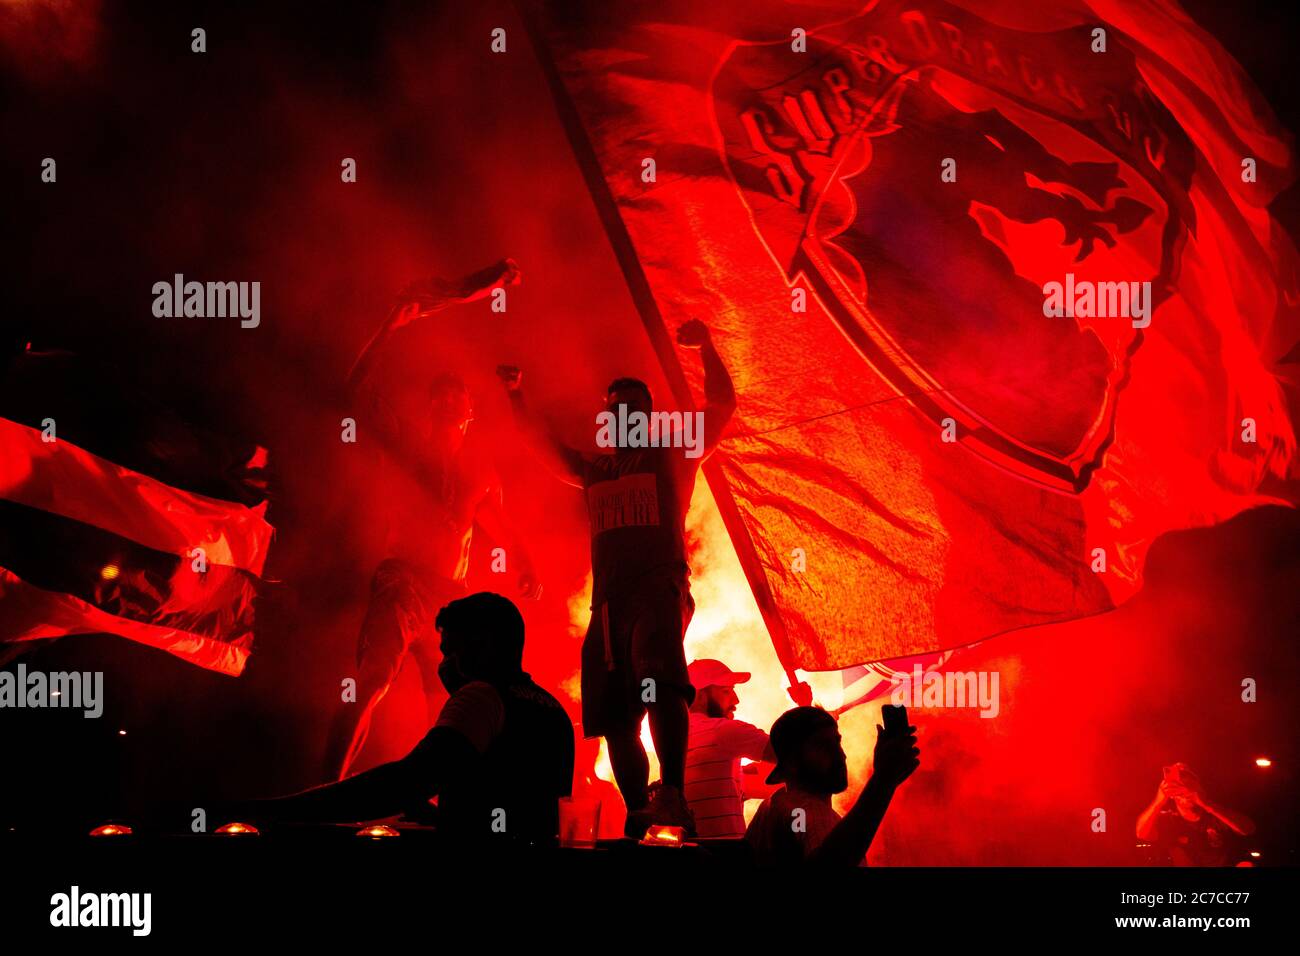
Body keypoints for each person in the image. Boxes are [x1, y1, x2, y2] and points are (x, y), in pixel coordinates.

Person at [497, 318, 736, 836]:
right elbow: (541, 447)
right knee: (615, 717)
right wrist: (517, 395)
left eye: (633, 405)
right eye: (616, 407)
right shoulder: (596, 468)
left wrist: (709, 348)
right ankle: (638, 810)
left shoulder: (672, 452)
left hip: (658, 587)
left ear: (648, 415)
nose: (624, 413)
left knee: (658, 680)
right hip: (607, 603)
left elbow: (722, 410)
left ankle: (672, 793)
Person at [323, 259, 540, 781]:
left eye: (455, 394)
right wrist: (385, 332)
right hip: (402, 581)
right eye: (437, 394)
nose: (446, 399)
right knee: (373, 680)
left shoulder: (480, 471)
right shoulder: (405, 446)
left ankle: (440, 803)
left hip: (452, 593)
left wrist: (527, 562)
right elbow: (352, 391)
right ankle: (327, 788)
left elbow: (497, 522)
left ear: (469, 411)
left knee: (450, 702)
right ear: (427, 408)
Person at [237, 593, 574, 846]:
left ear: (482, 646)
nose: (443, 663)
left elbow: (404, 782)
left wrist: (275, 811)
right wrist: (446, 816)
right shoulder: (553, 708)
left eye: (450, 650)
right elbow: (519, 806)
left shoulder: (482, 697)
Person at [746, 706, 919, 865]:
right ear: (791, 762)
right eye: (822, 745)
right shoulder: (806, 810)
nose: (840, 754)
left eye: (837, 742)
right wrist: (883, 780)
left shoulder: (772, 806)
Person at [684, 658, 775, 839]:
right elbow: (796, 754)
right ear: (700, 696)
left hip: (690, 855)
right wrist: (806, 707)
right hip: (726, 854)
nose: (736, 700)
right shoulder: (723, 730)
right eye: (726, 691)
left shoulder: (673, 738)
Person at [1136, 762, 1255, 866]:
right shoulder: (1169, 819)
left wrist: (1206, 804)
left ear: (1200, 787)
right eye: (1179, 786)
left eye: (1189, 785)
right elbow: (1142, 834)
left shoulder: (1216, 813)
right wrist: (1159, 800)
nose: (1184, 791)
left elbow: (1247, 829)